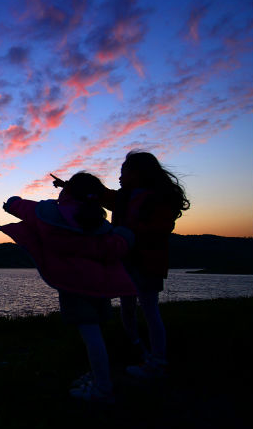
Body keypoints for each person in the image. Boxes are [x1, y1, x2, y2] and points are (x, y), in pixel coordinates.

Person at [0, 172, 136, 403]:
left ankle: (103, 389)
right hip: (100, 288)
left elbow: (27, 209)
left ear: (68, 192)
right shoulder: (100, 225)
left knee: (91, 337)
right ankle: (99, 375)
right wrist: (124, 237)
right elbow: (115, 247)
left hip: (74, 286)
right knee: (97, 334)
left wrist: (13, 203)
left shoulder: (51, 216)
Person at [94, 151, 190, 379]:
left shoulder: (158, 198)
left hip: (147, 264)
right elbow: (103, 196)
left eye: (123, 172)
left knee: (149, 310)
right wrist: (70, 186)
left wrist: (127, 233)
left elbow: (160, 229)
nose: (119, 177)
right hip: (126, 264)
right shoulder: (124, 197)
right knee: (127, 309)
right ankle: (139, 350)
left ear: (138, 173)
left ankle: (157, 361)